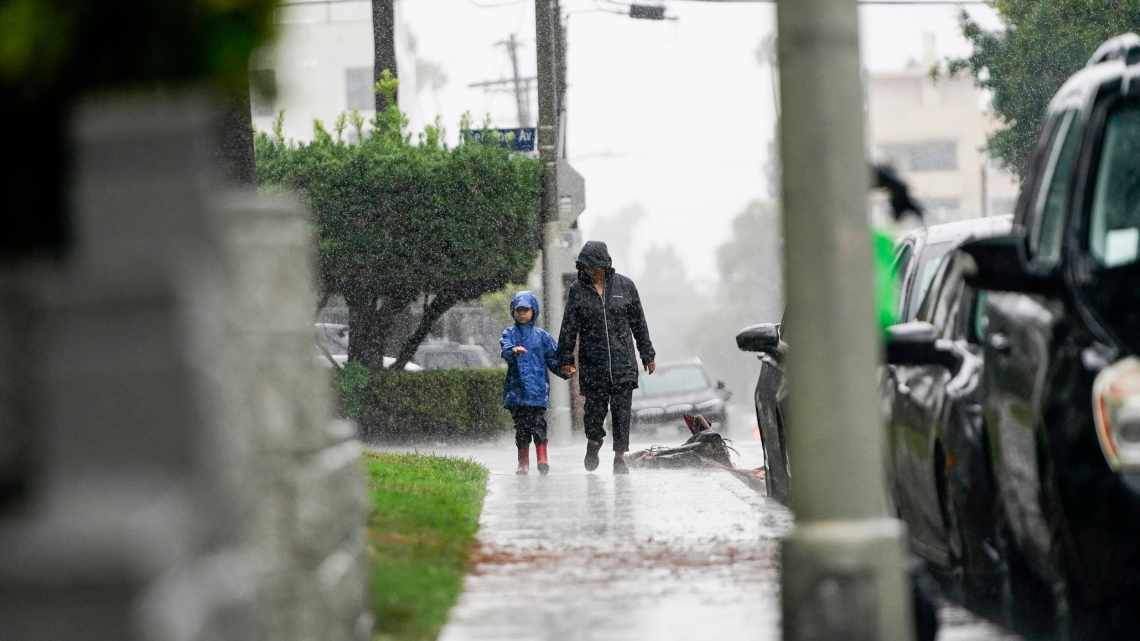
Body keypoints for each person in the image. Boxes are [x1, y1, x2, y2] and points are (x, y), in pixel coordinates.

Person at [557, 241, 656, 474]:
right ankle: (594, 442)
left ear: (605, 265)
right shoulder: (577, 291)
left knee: (622, 413)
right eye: (586, 267)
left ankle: (620, 456)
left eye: (594, 267)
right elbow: (569, 328)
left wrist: (647, 354)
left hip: (623, 364)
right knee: (594, 414)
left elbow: (639, 324)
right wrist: (566, 360)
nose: (590, 271)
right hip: (593, 366)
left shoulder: (626, 286)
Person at [500, 291, 566, 475]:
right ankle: (523, 462)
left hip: (537, 392)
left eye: (525, 310)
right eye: (518, 310)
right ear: (513, 311)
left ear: (533, 311)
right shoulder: (510, 333)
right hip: (517, 392)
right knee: (521, 429)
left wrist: (564, 370)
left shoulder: (542, 337)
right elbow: (505, 348)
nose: (522, 314)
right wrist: (513, 351)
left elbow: (553, 359)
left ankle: (542, 457)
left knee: (538, 425)